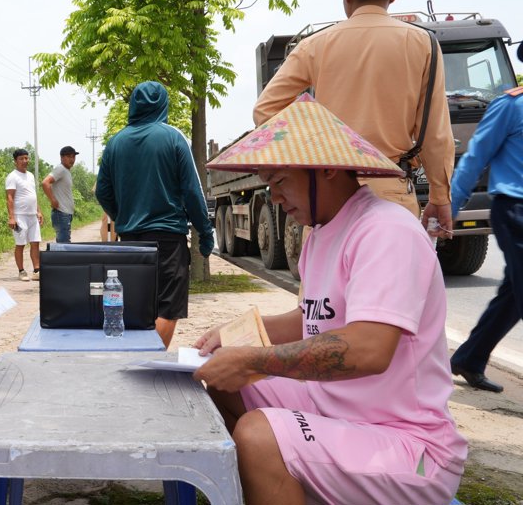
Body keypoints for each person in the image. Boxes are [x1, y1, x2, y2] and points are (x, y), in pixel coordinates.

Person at [199, 95, 466, 505]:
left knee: (257, 435)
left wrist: (251, 360)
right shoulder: (322, 231)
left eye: (279, 181)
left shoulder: (385, 232)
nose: (273, 198)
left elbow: (368, 348)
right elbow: (314, 317)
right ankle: (288, 485)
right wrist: (230, 337)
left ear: (325, 168)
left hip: (408, 445)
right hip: (334, 407)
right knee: (215, 381)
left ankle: (285, 473)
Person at [254, 0, 454, 239]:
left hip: (329, 196)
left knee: (327, 279)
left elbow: (265, 111)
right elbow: (435, 135)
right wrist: (440, 196)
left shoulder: (315, 44)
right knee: (392, 278)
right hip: (391, 192)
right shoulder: (423, 44)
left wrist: (314, 154)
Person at [96, 81, 215, 348]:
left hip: (130, 242)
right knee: (167, 308)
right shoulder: (173, 138)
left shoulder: (115, 143)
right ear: (163, 105)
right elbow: (192, 192)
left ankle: (132, 359)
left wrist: (123, 215)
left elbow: (102, 192)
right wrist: (205, 233)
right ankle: (146, 364)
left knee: (137, 305)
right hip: (168, 241)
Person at [448, 44, 523, 393]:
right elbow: (474, 158)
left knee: (513, 295)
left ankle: (469, 358)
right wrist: (449, 208)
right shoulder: (510, 105)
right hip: (516, 210)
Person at [5, 148, 44, 281]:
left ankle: (37, 270)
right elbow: (9, 197)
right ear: (15, 161)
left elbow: (33, 195)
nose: (24, 161)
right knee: (20, 244)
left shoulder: (31, 175)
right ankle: (21, 271)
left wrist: (38, 211)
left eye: (26, 158)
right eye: (21, 159)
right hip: (20, 215)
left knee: (35, 243)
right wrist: (11, 217)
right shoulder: (12, 176)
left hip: (32, 215)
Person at [42, 145, 79, 243]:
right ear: (62, 157)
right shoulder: (61, 169)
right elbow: (45, 183)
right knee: (64, 246)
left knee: (64, 244)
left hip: (66, 213)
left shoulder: (66, 171)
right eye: (69, 156)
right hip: (61, 213)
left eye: (73, 157)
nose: (72, 159)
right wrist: (52, 200)